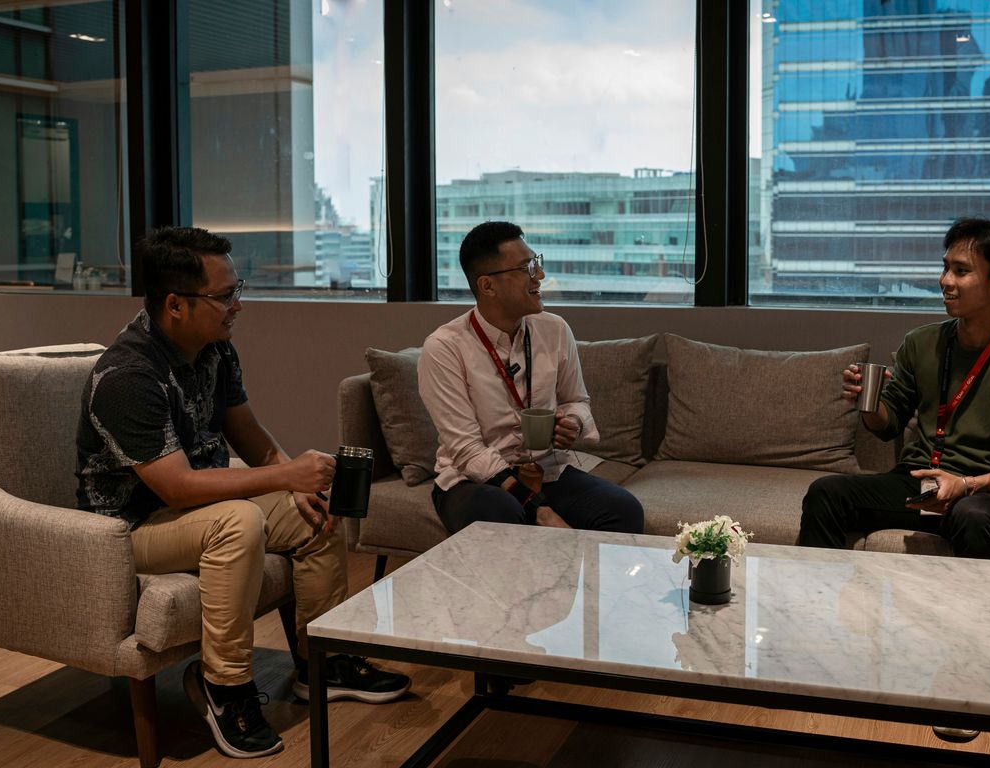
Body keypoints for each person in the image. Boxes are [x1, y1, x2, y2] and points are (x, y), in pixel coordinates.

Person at [75, 227, 409, 760]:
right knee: (239, 521)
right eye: (225, 295)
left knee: (314, 512)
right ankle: (224, 686)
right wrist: (283, 477)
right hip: (127, 528)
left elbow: (251, 438)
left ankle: (320, 664)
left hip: (198, 506)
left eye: (239, 287)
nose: (239, 305)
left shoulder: (214, 350)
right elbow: (177, 487)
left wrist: (293, 478)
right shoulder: (128, 376)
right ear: (176, 305)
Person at [795, 217, 990, 741]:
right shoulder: (922, 343)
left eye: (961, 270)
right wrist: (867, 404)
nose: (946, 280)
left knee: (976, 518)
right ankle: (815, 640)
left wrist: (969, 484)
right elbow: (888, 422)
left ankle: (967, 677)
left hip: (983, 492)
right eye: (945, 267)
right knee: (826, 493)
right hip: (919, 482)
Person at [418, 220, 644, 535]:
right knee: (501, 513)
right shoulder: (445, 348)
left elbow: (577, 401)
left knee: (623, 510)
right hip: (474, 480)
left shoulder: (554, 330)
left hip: (545, 472)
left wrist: (573, 423)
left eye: (536, 263)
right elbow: (467, 450)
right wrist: (541, 510)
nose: (539, 276)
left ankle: (589, 587)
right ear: (488, 286)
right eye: (526, 268)